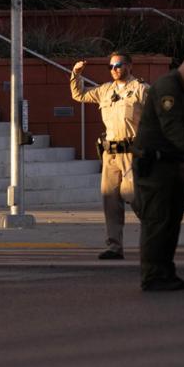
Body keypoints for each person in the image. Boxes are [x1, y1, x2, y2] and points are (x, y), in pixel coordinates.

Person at [133, 50, 184, 292]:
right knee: (156, 221)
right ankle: (153, 275)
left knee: (172, 220)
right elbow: (171, 129)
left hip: (169, 164)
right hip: (154, 165)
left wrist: (181, 163)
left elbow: (179, 128)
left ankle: (166, 272)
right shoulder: (168, 88)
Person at [71, 52, 148, 260]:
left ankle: (155, 229)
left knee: (133, 195)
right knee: (110, 201)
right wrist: (76, 74)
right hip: (110, 155)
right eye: (111, 66)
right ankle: (114, 247)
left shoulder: (141, 90)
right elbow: (79, 95)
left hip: (132, 153)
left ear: (129, 66)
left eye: (119, 65)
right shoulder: (105, 90)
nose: (114, 69)